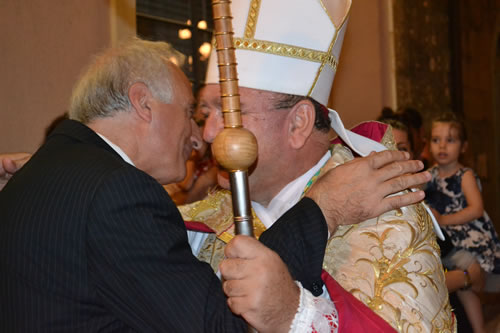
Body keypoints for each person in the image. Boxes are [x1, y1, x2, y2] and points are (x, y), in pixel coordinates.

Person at [0, 37, 373, 332]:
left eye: (226, 113)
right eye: (190, 113)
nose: (201, 138)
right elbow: (219, 325)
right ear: (143, 103)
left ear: (299, 123)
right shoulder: (117, 193)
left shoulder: (41, 177)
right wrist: (321, 210)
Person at [180, 0, 454, 331]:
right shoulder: (192, 229)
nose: (209, 133)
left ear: (299, 124)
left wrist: (292, 315)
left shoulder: (390, 217)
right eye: (206, 113)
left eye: (232, 112)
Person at [425, 111, 500, 333]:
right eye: (436, 140)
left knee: (469, 288)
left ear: (464, 146)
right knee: (461, 292)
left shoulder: (464, 175)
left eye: (450, 140)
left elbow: (476, 209)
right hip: (446, 241)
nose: (442, 146)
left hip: (468, 239)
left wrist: (444, 219)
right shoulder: (429, 175)